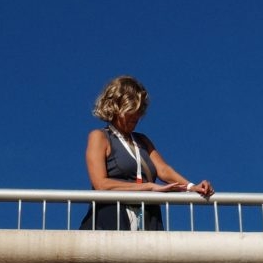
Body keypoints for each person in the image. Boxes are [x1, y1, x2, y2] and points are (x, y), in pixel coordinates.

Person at [83, 75, 213, 231]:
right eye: (131, 111)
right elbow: (100, 184)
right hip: (111, 218)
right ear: (116, 107)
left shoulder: (142, 140)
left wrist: (191, 186)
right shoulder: (100, 137)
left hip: (147, 216)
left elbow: (164, 170)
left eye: (139, 111)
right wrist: (148, 187)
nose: (136, 117)